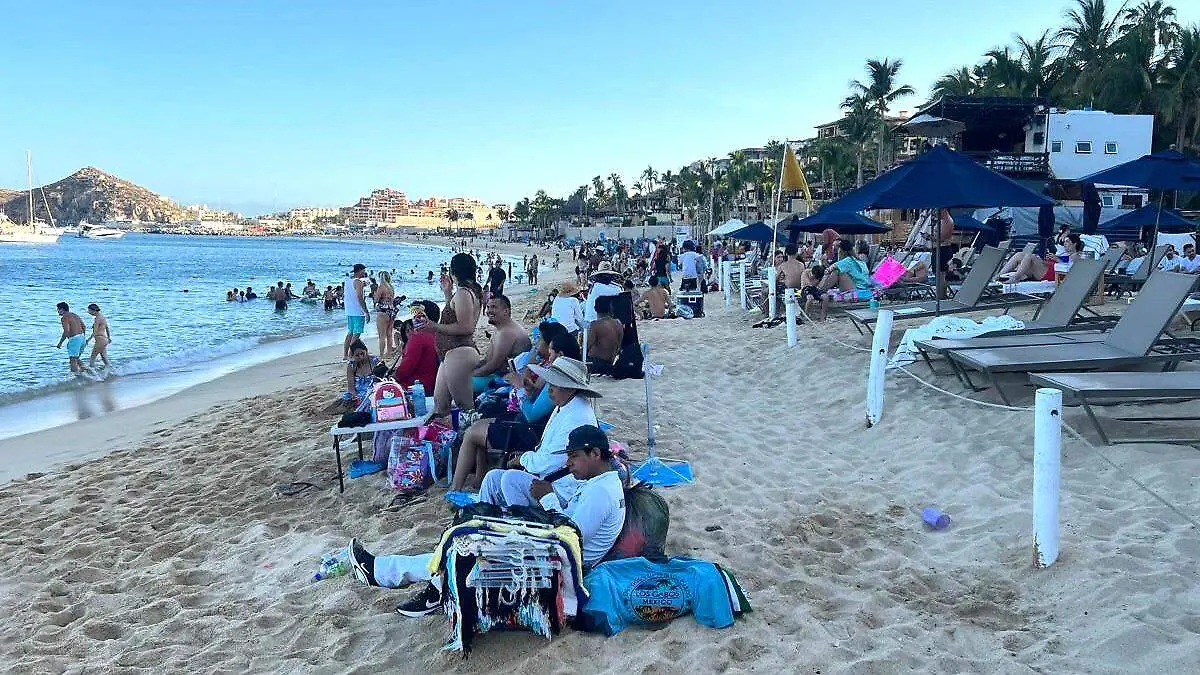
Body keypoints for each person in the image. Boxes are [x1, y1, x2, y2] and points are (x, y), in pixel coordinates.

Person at [348, 424, 625, 617]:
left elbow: (571, 538)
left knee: (465, 550)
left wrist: (548, 499)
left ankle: (383, 572)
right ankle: (427, 585)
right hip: (555, 553)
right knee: (468, 534)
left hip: (558, 564)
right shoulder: (599, 483)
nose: (568, 464)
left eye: (574, 457)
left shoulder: (601, 491)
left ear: (596, 454)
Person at [450, 323, 577, 491]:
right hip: (525, 424)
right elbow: (538, 403)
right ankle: (479, 480)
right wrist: (529, 389)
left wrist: (520, 387)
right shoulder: (563, 376)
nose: (548, 355)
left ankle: (455, 487)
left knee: (471, 433)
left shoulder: (557, 381)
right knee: (478, 424)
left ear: (559, 354)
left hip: (526, 431)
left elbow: (532, 415)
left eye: (551, 351)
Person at [432, 252, 484, 421]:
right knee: (440, 405)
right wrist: (447, 293)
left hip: (460, 354)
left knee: (466, 408)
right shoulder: (466, 292)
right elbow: (454, 315)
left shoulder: (463, 293)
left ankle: (470, 443)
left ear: (454, 271)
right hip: (451, 355)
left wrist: (434, 326)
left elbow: (466, 327)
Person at [471, 294, 531, 394]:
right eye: (488, 307)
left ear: (506, 311)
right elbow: (487, 360)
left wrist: (470, 374)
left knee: (458, 382)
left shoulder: (507, 332)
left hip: (507, 379)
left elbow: (493, 366)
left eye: (494, 307)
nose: (489, 311)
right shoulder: (500, 329)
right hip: (498, 375)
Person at [814, 240, 872, 320]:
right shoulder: (858, 260)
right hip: (862, 286)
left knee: (837, 272)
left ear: (841, 250)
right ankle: (820, 290)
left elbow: (830, 269)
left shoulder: (848, 260)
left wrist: (824, 271)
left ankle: (819, 291)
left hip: (857, 289)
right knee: (839, 271)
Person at [391, 300, 440, 391]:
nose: (414, 318)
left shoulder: (418, 337)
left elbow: (406, 369)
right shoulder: (439, 335)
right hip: (437, 384)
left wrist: (394, 377)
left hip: (417, 388)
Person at [587, 295, 624, 375]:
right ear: (611, 308)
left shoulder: (595, 325)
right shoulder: (618, 323)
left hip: (596, 365)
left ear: (595, 308)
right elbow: (619, 346)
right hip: (610, 363)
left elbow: (586, 347)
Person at [343, 263, 370, 358]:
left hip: (349, 310)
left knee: (350, 333)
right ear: (359, 271)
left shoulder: (348, 281)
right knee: (356, 334)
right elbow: (359, 297)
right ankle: (351, 355)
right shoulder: (358, 282)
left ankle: (345, 355)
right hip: (357, 310)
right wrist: (366, 311)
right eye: (363, 271)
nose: (364, 273)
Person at [344, 339, 381, 406]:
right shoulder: (351, 365)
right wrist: (355, 396)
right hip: (357, 392)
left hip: (373, 390)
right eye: (357, 355)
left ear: (366, 351)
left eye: (362, 353)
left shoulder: (374, 361)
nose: (360, 357)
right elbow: (351, 387)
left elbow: (382, 379)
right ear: (353, 356)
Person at [55, 302, 88, 374]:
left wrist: (60, 343)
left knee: (72, 361)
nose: (57, 311)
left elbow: (66, 331)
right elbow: (84, 327)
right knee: (76, 359)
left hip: (75, 339)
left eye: (58, 309)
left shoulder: (64, 317)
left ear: (62, 309)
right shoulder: (75, 315)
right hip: (82, 337)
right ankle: (87, 372)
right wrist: (82, 338)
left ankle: (76, 379)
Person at [374, 271, 397, 356]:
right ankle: (389, 352)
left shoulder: (382, 286)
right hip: (391, 311)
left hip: (383, 311)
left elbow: (376, 300)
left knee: (382, 336)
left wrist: (375, 295)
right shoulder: (391, 287)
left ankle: (381, 355)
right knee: (389, 334)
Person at [85, 303, 112, 371]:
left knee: (92, 358)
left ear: (94, 310)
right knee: (104, 358)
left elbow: (95, 332)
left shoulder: (97, 318)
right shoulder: (102, 317)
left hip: (100, 340)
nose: (89, 312)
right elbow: (107, 328)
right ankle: (111, 373)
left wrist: (88, 339)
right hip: (104, 339)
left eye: (89, 311)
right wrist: (109, 337)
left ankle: (93, 375)